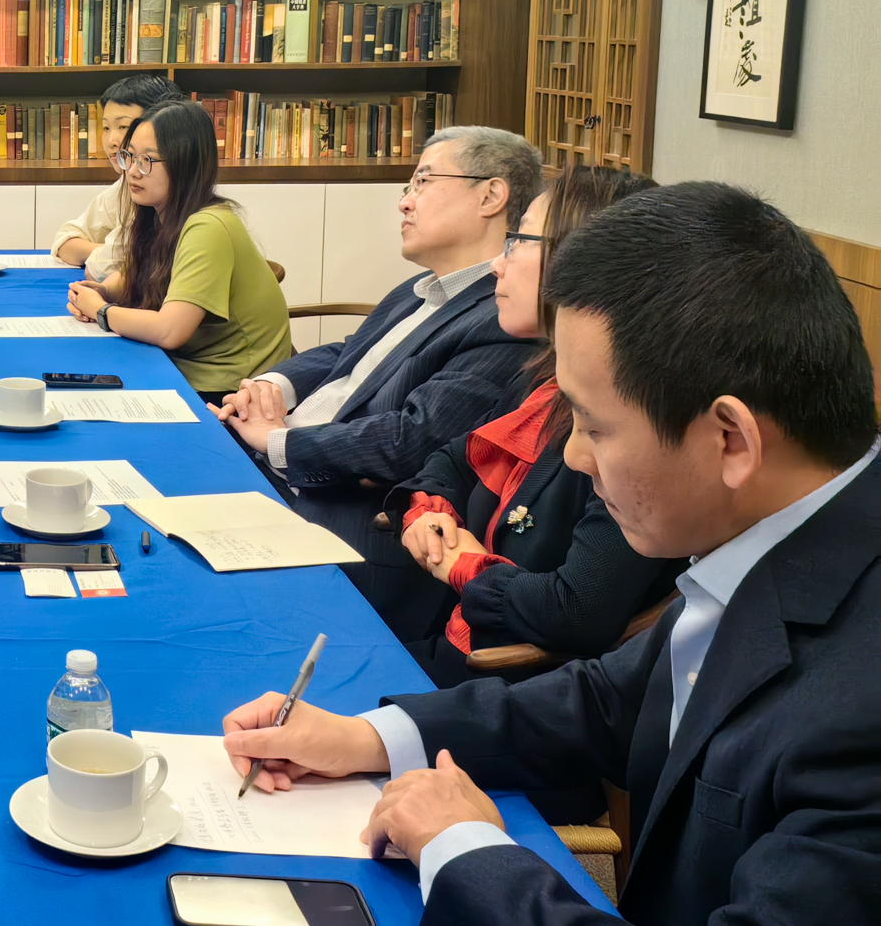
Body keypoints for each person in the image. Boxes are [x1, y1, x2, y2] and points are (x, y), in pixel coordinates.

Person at [220, 183, 881, 926]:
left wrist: (463, 846)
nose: (573, 455)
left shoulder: (859, 714)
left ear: (730, 440)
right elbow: (604, 702)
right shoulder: (790, 539)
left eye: (594, 427)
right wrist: (364, 737)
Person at [381, 166, 682, 692]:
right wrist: (431, 512)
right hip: (447, 639)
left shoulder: (640, 422)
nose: (498, 263)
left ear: (583, 264)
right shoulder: (545, 376)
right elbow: (453, 458)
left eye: (518, 240)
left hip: (504, 686)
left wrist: (465, 565)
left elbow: (576, 609)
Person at [216, 126, 541, 576]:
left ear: (490, 196)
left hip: (336, 513)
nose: (405, 202)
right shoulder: (420, 287)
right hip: (272, 464)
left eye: (423, 182)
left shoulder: (503, 318)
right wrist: (271, 386)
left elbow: (411, 441)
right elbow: (349, 353)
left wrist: (278, 442)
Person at [65, 102, 292, 397]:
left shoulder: (208, 227)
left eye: (147, 160)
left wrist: (101, 310)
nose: (132, 171)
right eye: (129, 156)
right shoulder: (160, 213)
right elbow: (143, 273)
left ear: (186, 165)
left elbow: (169, 331)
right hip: (187, 367)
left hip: (232, 390)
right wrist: (103, 290)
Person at [49, 73, 186, 280]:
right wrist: (107, 251)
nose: (111, 141)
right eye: (106, 127)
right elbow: (64, 242)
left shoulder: (165, 189)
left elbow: (98, 270)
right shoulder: (126, 183)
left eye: (123, 127)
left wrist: (110, 256)